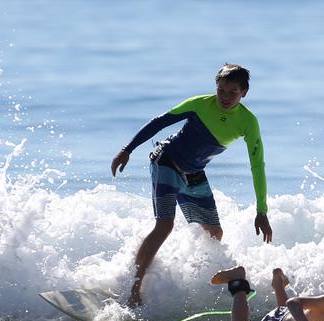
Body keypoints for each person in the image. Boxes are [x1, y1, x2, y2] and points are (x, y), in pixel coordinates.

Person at [111, 64, 273, 307]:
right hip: (166, 160)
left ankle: (194, 282)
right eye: (221, 91)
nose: (225, 98)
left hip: (193, 172)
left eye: (232, 93)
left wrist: (262, 211)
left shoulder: (248, 122)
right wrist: (127, 149)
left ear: (244, 92)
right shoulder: (200, 104)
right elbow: (160, 122)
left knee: (214, 233)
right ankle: (133, 288)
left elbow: (257, 166)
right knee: (164, 225)